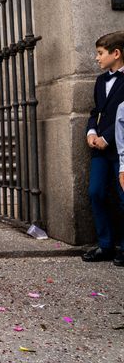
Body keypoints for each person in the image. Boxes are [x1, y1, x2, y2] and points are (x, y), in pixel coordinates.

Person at [86, 31, 124, 266]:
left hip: (119, 148)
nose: (97, 58)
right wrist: (91, 132)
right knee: (95, 192)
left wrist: (107, 138)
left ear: (116, 53)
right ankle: (105, 244)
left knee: (123, 197)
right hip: (99, 150)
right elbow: (96, 112)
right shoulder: (101, 81)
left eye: (100, 53)